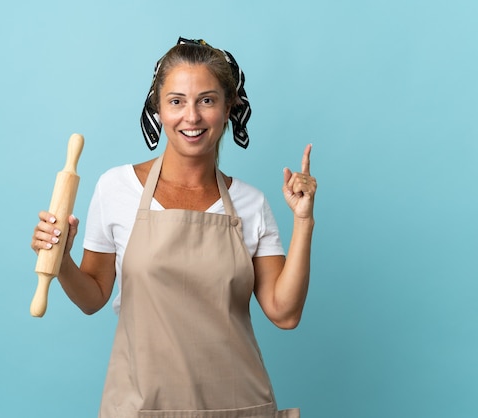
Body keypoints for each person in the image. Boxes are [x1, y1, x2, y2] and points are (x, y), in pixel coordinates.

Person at [31, 37, 316, 418]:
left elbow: (285, 313)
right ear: (159, 110)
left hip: (238, 405)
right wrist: (62, 259)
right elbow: (93, 297)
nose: (192, 117)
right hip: (142, 406)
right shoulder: (116, 188)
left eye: (208, 100)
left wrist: (303, 219)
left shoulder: (251, 203)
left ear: (229, 107)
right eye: (177, 101)